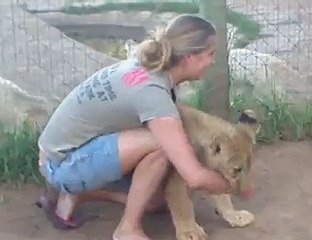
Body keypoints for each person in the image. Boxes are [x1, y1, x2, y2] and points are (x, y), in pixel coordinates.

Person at [37, 14, 230, 240]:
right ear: (189, 57)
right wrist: (235, 186)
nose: (212, 61)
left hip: (60, 153)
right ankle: (127, 230)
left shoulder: (151, 66)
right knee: (162, 145)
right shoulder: (153, 94)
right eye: (209, 54)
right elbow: (194, 176)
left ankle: (80, 193)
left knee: (157, 201)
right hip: (60, 164)